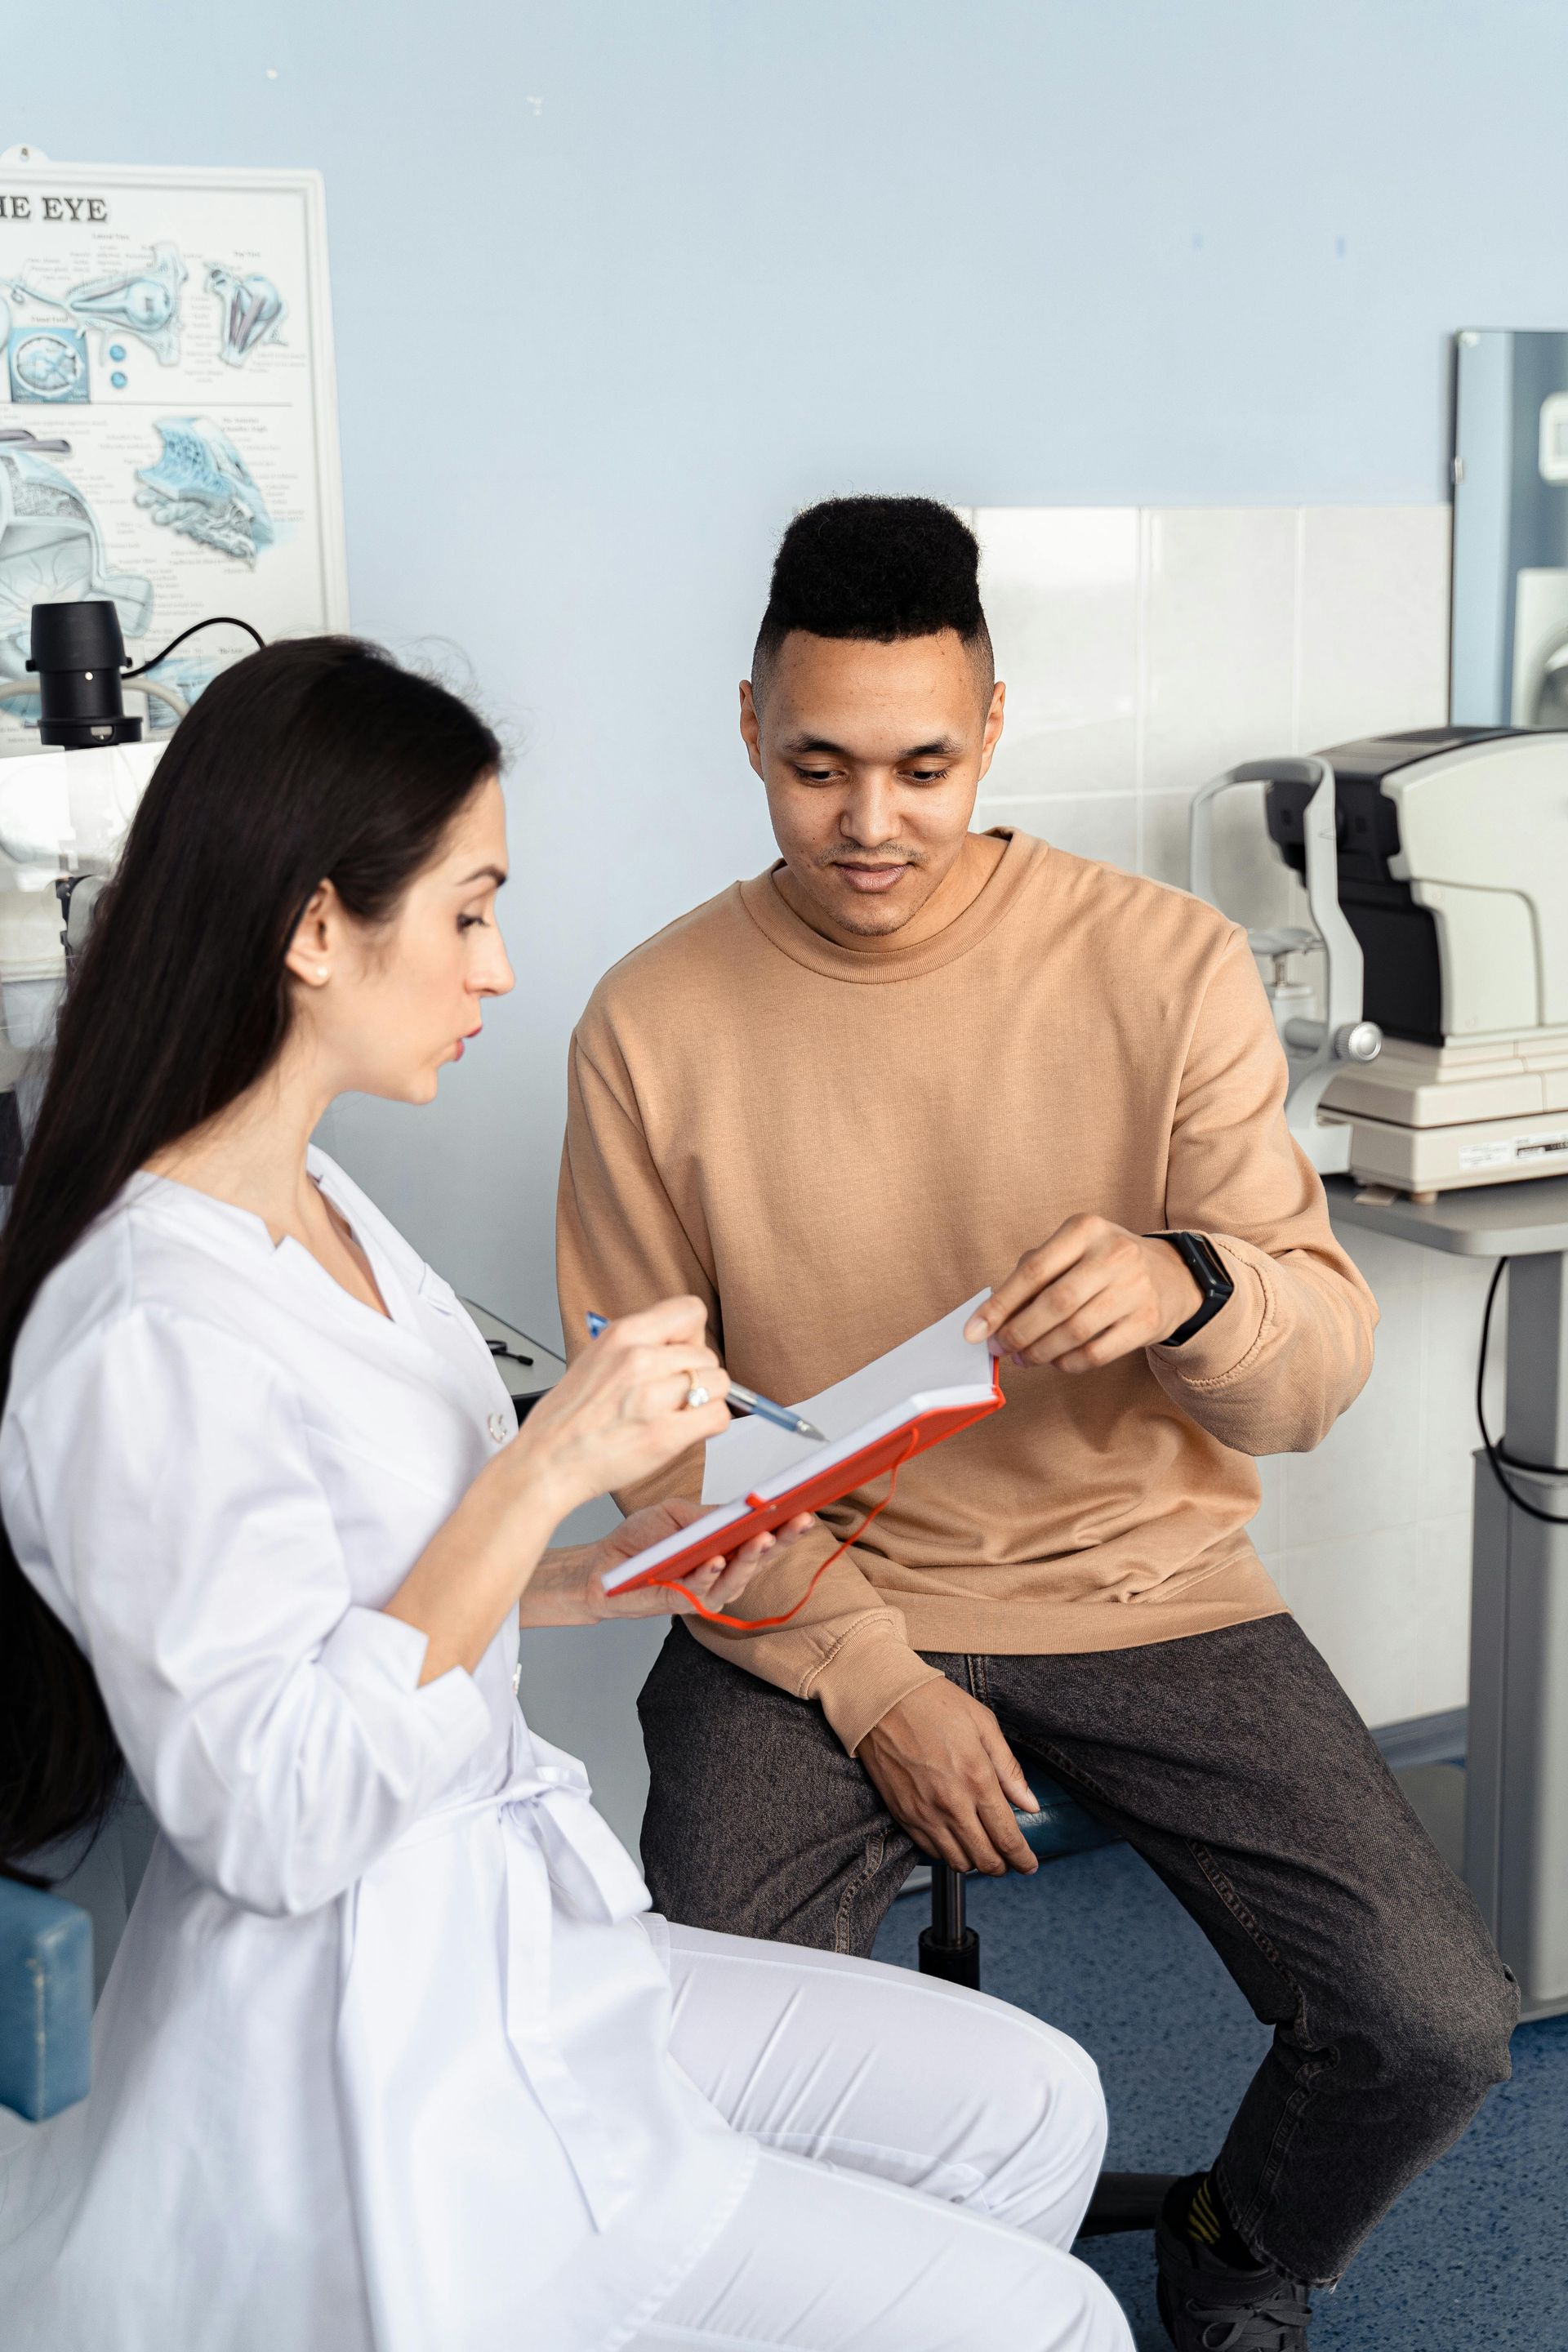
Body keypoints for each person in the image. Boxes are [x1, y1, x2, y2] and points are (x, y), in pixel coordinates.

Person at [0, 639, 1132, 2352]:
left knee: (1032, 2102)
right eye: (466, 914)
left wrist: (602, 1567)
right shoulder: (146, 1330)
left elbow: (362, 1584)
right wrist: (542, 1470)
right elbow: (278, 1815)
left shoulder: (320, 1207)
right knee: (1058, 2327)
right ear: (316, 930)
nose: (501, 966)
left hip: (520, 1933)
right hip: (390, 2040)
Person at [556, 497, 1520, 2351]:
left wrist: (1197, 1291)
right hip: (809, 1599)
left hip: (1145, 1585)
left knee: (1432, 2020)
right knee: (701, 2035)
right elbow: (660, 1446)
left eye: (923, 766)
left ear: (994, 728)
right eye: (818, 764)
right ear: (746, 722)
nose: (870, 824)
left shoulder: (1162, 969)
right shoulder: (651, 1023)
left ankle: (1237, 2249)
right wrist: (868, 1676)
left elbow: (1316, 1366)